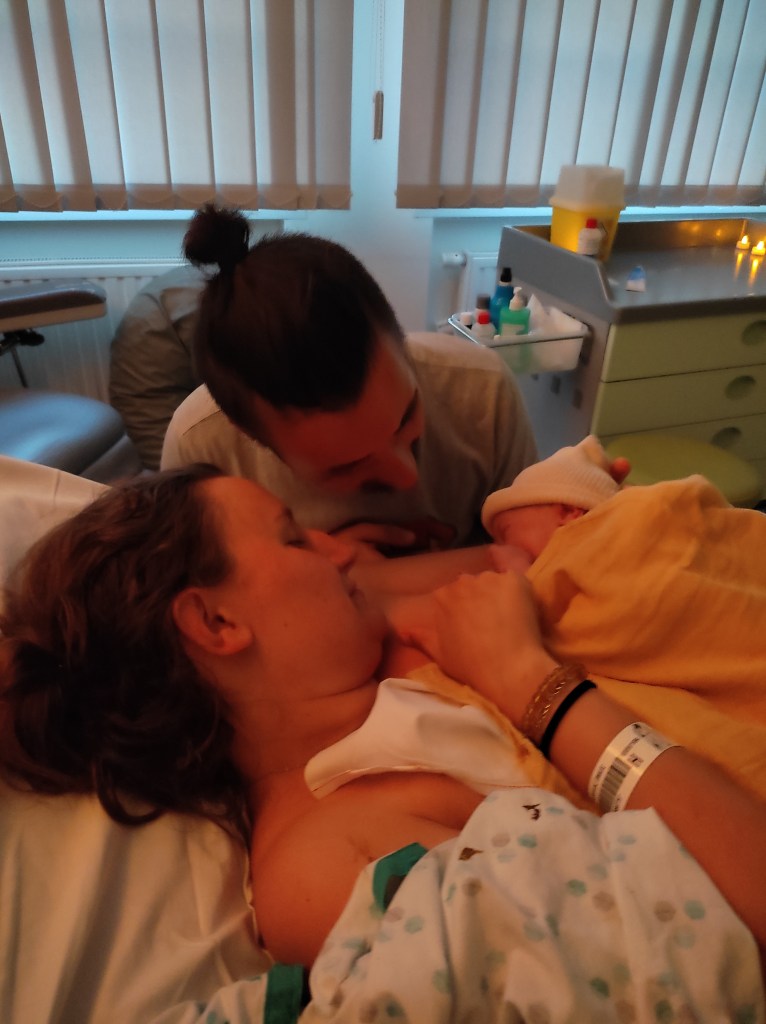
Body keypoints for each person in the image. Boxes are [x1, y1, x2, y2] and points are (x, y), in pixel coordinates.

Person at [1, 466, 764, 1001]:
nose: (339, 550)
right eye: (295, 540)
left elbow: (522, 560)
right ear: (216, 621)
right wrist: (535, 688)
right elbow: (727, 923)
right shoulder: (324, 863)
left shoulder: (373, 656)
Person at [159, 205, 540, 554]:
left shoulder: (483, 391)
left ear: (402, 344)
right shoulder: (202, 447)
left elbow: (538, 560)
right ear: (251, 436)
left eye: (407, 417)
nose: (406, 476)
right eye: (346, 467)